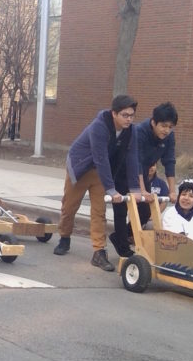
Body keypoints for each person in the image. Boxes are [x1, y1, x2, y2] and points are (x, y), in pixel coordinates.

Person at [53, 94, 148, 272]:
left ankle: (99, 251)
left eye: (132, 115)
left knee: (99, 211)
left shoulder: (131, 131)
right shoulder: (99, 126)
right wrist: (112, 190)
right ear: (114, 113)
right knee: (69, 207)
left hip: (99, 173)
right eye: (125, 115)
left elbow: (132, 158)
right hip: (80, 167)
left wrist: (135, 188)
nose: (129, 119)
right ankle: (64, 238)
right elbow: (101, 158)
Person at [111, 102, 178, 257]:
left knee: (144, 209)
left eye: (170, 127)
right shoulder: (139, 132)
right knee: (121, 208)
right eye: (163, 126)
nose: (167, 130)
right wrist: (141, 190)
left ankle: (119, 236)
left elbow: (169, 161)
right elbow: (137, 161)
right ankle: (123, 248)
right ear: (153, 122)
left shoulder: (169, 137)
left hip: (142, 173)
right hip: (122, 170)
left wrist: (173, 191)